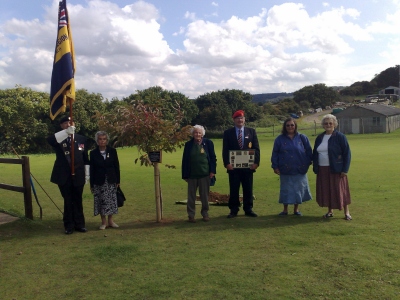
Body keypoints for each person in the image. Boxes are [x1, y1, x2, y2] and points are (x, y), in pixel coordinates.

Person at [47, 116, 90, 234]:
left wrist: (87, 175)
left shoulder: (81, 139)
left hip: (79, 174)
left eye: (70, 123)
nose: (68, 125)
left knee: (78, 199)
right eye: (65, 123)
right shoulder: (59, 139)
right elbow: (50, 140)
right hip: (63, 175)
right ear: (61, 126)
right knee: (68, 200)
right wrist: (66, 133)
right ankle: (69, 225)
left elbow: (85, 158)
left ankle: (80, 224)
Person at [312, 114, 352, 220]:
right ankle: (330, 211)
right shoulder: (320, 137)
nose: (328, 125)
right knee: (327, 190)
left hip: (336, 169)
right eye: (326, 123)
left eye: (330, 123)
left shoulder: (340, 137)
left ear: (334, 124)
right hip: (322, 169)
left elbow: (347, 153)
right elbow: (315, 153)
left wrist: (345, 169)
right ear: (323, 125)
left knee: (340, 190)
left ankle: (347, 212)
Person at [222, 110, 260, 218]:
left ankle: (248, 209)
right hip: (233, 168)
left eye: (241, 118)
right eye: (237, 118)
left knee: (248, 188)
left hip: (248, 167)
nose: (240, 120)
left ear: (244, 120)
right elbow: (225, 150)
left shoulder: (251, 132)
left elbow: (256, 149)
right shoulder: (228, 133)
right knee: (234, 189)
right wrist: (227, 163)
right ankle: (233, 210)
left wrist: (256, 162)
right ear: (234, 120)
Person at [271, 118, 312, 216]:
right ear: (285, 127)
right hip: (285, 169)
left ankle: (296, 210)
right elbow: (275, 153)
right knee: (286, 189)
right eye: (288, 125)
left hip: (299, 168)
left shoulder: (302, 138)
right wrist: (275, 166)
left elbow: (309, 152)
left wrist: (307, 164)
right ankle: (285, 210)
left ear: (295, 126)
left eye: (292, 125)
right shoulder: (279, 139)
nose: (290, 127)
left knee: (298, 189)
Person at [182, 125, 216, 223]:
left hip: (205, 174)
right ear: (193, 134)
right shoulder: (188, 145)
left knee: (204, 196)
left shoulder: (208, 143)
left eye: (199, 133)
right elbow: (185, 160)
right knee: (191, 197)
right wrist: (185, 175)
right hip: (192, 175)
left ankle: (205, 214)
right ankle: (191, 215)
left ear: (202, 134)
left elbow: (213, 158)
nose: (197, 134)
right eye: (196, 132)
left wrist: (212, 171)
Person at [90, 131, 121, 230]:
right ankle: (103, 222)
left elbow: (116, 166)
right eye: (100, 139)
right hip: (98, 181)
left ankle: (111, 221)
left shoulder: (112, 151)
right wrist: (91, 184)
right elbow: (92, 169)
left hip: (111, 180)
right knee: (101, 201)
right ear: (97, 140)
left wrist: (118, 180)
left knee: (111, 201)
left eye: (104, 139)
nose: (102, 141)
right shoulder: (93, 153)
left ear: (107, 140)